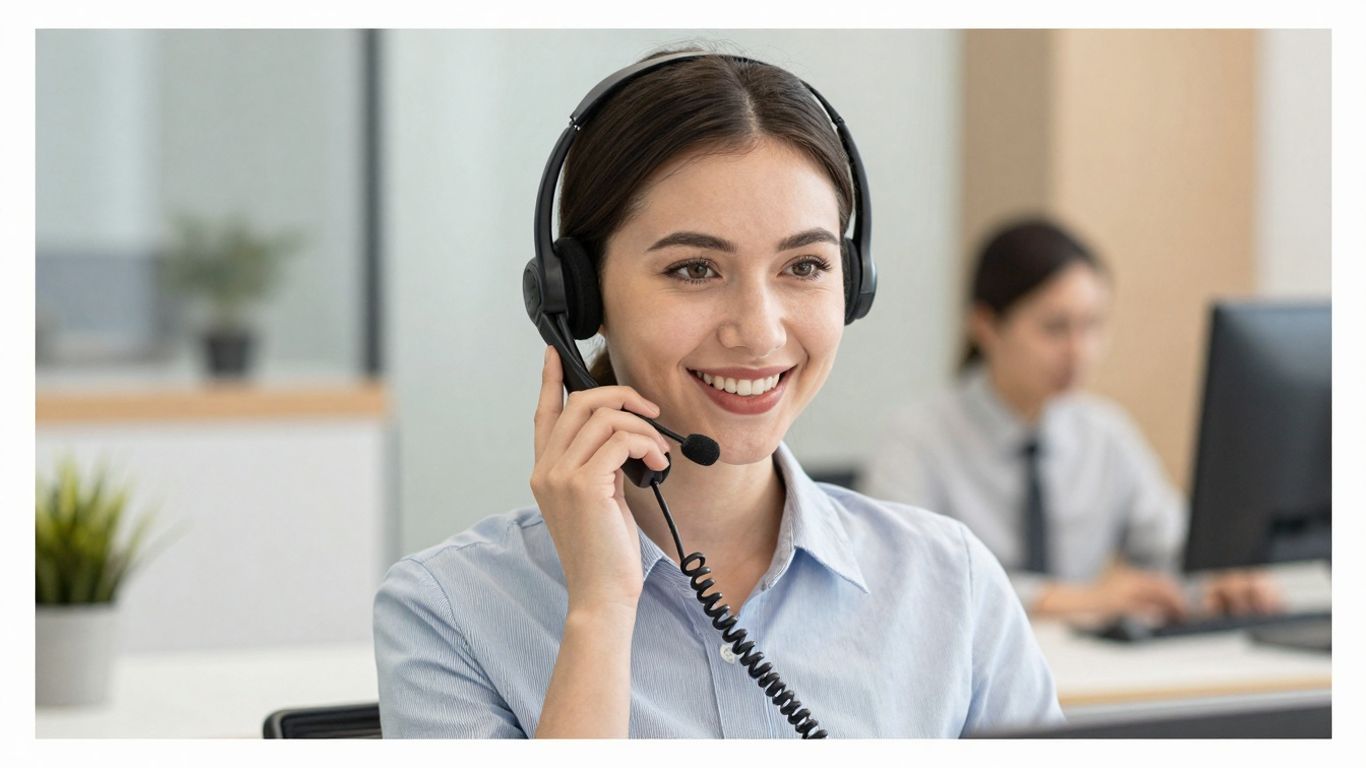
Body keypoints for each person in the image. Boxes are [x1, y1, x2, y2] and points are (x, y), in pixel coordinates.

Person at [373, 48, 1062, 739]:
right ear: (579, 297)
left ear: (852, 283)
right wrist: (601, 609)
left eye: (804, 265)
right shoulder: (448, 611)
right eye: (695, 268)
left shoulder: (951, 584)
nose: (759, 334)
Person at [861, 218, 1282, 622]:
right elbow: (902, 576)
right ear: (985, 326)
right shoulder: (916, 437)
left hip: (1086, 669)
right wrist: (1077, 600)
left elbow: (1173, 547)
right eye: (1055, 328)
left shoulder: (1104, 433)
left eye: (1092, 325)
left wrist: (1219, 580)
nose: (1080, 352)